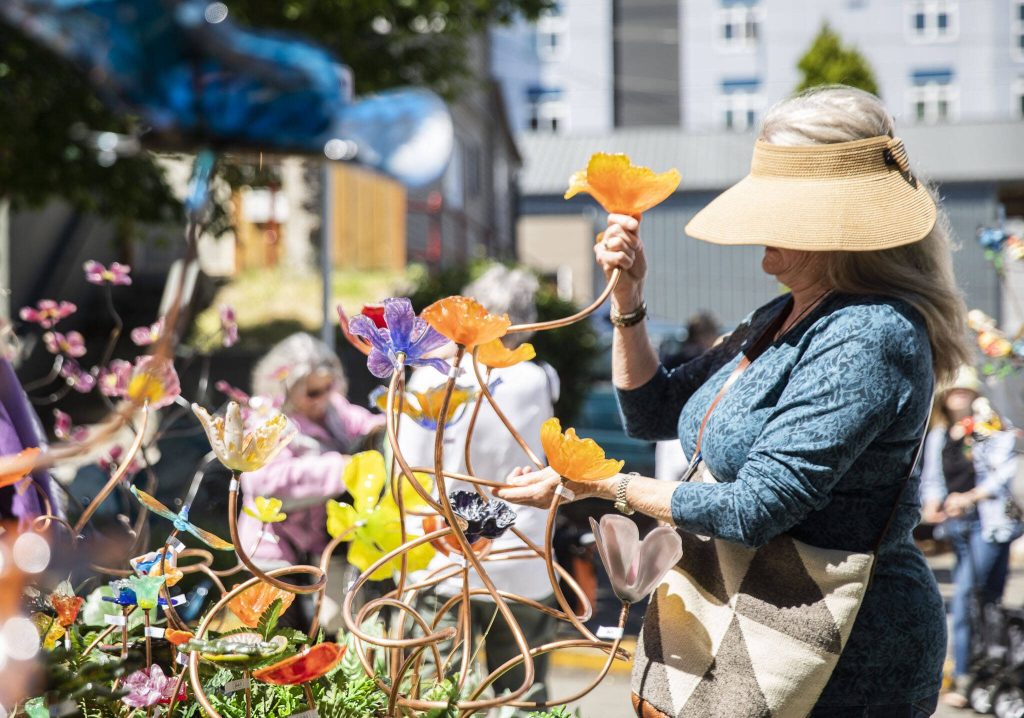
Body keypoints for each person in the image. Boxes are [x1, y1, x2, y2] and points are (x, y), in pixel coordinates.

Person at [495, 85, 970, 716]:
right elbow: (653, 412)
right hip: (752, 610)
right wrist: (628, 300)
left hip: (846, 653)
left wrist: (599, 486)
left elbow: (753, 510)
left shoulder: (870, 332)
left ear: (833, 224)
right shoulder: (778, 315)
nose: (756, 228)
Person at [399, 265, 559, 705]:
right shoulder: (538, 377)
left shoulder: (430, 375)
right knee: (523, 692)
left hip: (441, 556)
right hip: (523, 553)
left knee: (438, 695)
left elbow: (408, 472)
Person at [240, 333, 384, 625]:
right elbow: (264, 481)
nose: (321, 399)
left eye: (328, 388)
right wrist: (342, 469)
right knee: (278, 646)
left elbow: (366, 426)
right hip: (272, 556)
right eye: (312, 392)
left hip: (319, 550)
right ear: (285, 387)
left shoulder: (333, 408)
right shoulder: (268, 421)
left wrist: (394, 423)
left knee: (323, 639)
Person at [920, 366, 1021, 708]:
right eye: (953, 390)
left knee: (967, 599)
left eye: (965, 389)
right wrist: (933, 505)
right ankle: (986, 672)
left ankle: (965, 678)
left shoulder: (989, 426)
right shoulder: (939, 434)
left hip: (990, 526)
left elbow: (1005, 471)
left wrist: (970, 498)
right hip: (958, 528)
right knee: (985, 600)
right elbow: (932, 479)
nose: (959, 395)